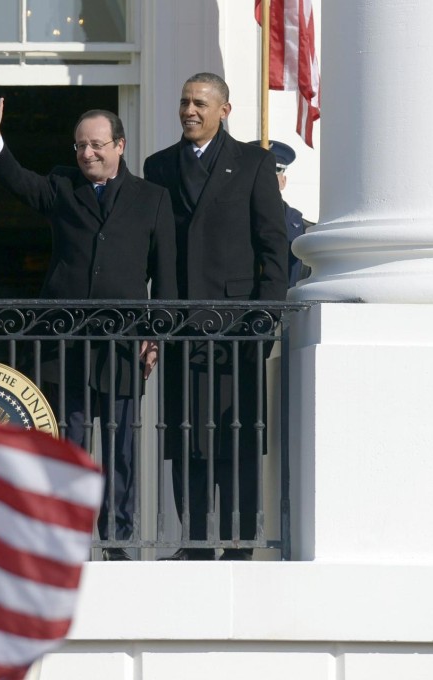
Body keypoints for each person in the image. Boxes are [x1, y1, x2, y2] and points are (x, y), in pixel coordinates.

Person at [0, 82, 177, 561]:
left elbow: (165, 278)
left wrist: (155, 338)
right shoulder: (62, 186)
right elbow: (18, 180)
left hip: (123, 342)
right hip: (66, 342)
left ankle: (120, 539)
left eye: (96, 145)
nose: (86, 153)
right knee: (71, 442)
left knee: (121, 447)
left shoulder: (152, 199)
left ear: (120, 146)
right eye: (80, 145)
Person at [143, 73, 289, 561]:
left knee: (239, 435)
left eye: (200, 103)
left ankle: (242, 540)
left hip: (236, 327)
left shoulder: (253, 162)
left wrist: (264, 318)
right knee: (184, 437)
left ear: (224, 111)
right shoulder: (158, 165)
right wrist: (157, 324)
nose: (190, 110)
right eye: (184, 101)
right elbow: (157, 251)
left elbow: (273, 244)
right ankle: (196, 540)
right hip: (183, 325)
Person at [248, 139, 314, 287]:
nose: (267, 178)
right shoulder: (233, 222)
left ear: (283, 181)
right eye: (261, 171)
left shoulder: (305, 231)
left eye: (275, 170)